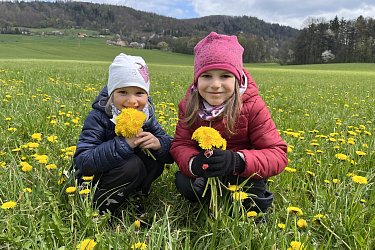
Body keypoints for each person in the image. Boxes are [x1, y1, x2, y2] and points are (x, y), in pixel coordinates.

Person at [170, 32, 288, 215]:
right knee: (185, 184)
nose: (215, 84)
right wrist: (195, 163)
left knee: (252, 194)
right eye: (207, 76)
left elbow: (277, 154)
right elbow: (181, 144)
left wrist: (238, 161)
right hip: (207, 172)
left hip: (241, 171)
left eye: (225, 76)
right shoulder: (189, 106)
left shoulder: (252, 105)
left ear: (237, 78)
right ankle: (211, 197)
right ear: (197, 79)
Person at [73, 53, 173, 216]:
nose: (132, 101)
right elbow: (83, 161)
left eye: (139, 93)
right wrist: (124, 144)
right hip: (95, 181)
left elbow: (171, 150)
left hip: (126, 175)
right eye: (123, 92)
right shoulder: (100, 117)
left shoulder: (146, 116)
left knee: (153, 157)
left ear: (147, 96)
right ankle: (101, 206)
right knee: (132, 164)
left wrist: (159, 144)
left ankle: (134, 196)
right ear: (112, 94)